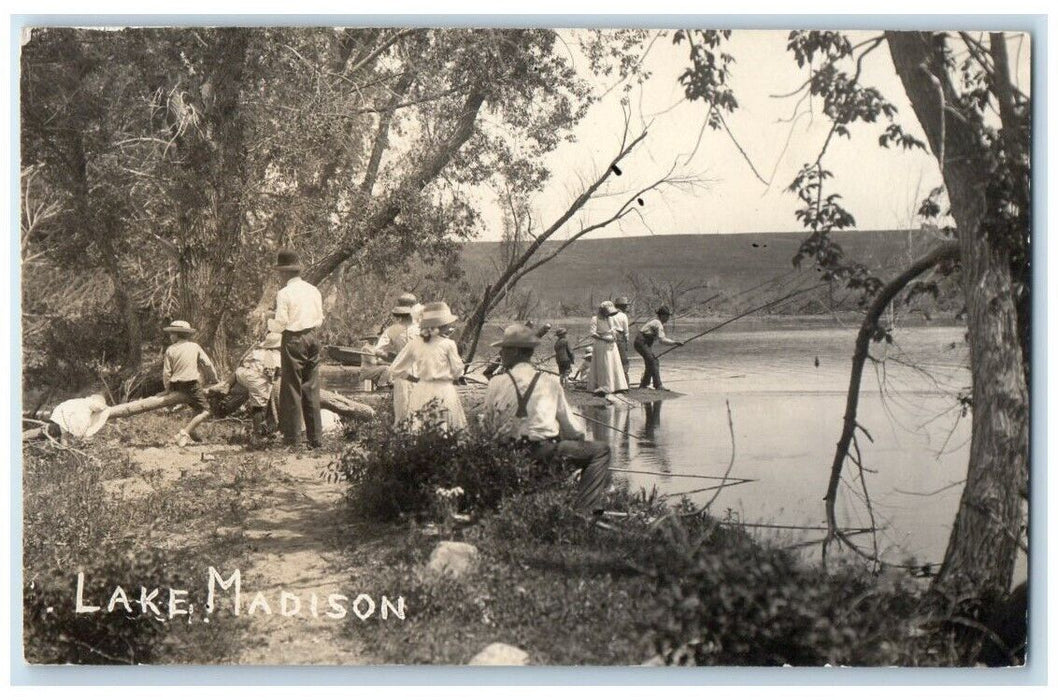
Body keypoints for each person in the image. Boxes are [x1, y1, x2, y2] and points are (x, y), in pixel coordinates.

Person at [482, 324, 611, 517]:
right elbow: (573, 430)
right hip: (544, 452)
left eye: (504, 349)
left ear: (515, 351)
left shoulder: (495, 383)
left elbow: (487, 426)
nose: (501, 353)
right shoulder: (550, 382)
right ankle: (586, 510)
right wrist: (573, 438)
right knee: (601, 450)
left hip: (507, 452)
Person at [270, 249, 324, 448]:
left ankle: (292, 438)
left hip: (293, 338)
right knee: (311, 386)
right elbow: (319, 318)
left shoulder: (284, 293)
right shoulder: (313, 290)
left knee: (291, 387)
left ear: (284, 273)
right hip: (312, 336)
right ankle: (315, 438)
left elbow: (282, 322)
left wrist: (269, 322)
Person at [390, 301, 467, 432]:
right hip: (444, 389)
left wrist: (413, 379)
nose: (448, 326)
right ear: (440, 326)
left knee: (421, 425)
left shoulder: (415, 343)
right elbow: (458, 371)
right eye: (446, 324)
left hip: (422, 388)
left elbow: (395, 368)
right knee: (446, 427)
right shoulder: (448, 344)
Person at [162, 320, 220, 447]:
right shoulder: (194, 347)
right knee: (206, 411)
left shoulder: (170, 349)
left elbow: (167, 373)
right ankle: (184, 432)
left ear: (177, 335)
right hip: (191, 384)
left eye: (172, 334)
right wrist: (214, 379)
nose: (171, 336)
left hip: (176, 384)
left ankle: (192, 431)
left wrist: (167, 389)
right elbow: (207, 364)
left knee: (197, 406)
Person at [234, 331, 283, 448]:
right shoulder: (277, 356)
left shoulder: (257, 352)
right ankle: (256, 436)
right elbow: (276, 372)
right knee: (259, 407)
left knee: (256, 395)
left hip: (243, 374)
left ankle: (228, 387)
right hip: (257, 379)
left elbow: (243, 362)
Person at [634, 306, 683, 390]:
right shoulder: (658, 323)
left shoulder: (656, 322)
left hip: (642, 343)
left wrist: (674, 343)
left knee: (652, 361)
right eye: (667, 316)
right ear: (662, 316)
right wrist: (675, 343)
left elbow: (660, 340)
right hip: (641, 343)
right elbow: (662, 340)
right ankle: (658, 385)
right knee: (653, 361)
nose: (668, 318)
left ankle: (644, 384)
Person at [587, 301, 629, 396]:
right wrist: (603, 337)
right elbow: (593, 333)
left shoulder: (609, 318)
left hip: (611, 343)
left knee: (614, 363)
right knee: (604, 364)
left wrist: (614, 336)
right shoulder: (595, 319)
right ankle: (604, 385)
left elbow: (613, 329)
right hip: (601, 343)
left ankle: (617, 386)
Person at [44, 394, 110, 443]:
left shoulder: (83, 401)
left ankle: (66, 447)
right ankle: (64, 450)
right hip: (66, 413)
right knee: (65, 433)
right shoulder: (88, 403)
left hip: (65, 411)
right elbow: (97, 408)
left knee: (66, 433)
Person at [612, 295, 632, 383]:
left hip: (610, 337)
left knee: (613, 359)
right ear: (622, 306)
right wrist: (626, 341)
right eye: (625, 306)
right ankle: (625, 381)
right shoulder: (623, 316)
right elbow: (626, 331)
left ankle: (614, 380)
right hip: (620, 337)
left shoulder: (610, 315)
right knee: (623, 359)